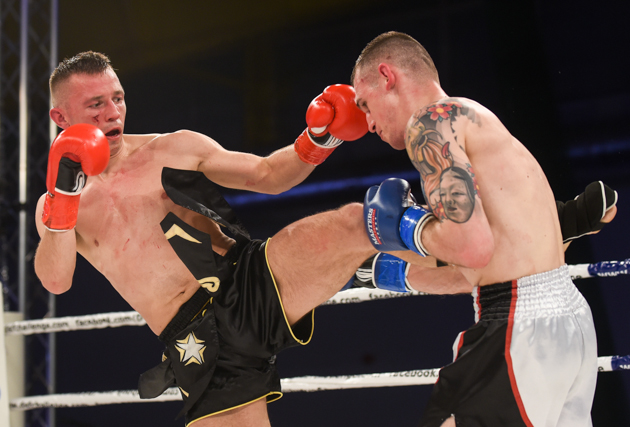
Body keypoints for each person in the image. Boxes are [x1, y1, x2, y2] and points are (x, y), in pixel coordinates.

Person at [34, 51, 378, 427]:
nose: (113, 113)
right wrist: (63, 198)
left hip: (246, 282)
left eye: (118, 98)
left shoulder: (172, 148)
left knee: (357, 222)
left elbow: (268, 175)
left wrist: (319, 138)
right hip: (195, 340)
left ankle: (411, 260)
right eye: (96, 104)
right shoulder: (55, 207)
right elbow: (55, 280)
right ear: (61, 117)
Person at [350, 31, 611, 426]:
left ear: (387, 76)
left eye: (365, 104)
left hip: (519, 328)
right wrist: (396, 272)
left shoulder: (429, 124)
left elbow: (470, 248)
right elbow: (478, 268)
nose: (368, 123)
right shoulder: (473, 118)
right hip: (565, 321)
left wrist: (406, 223)